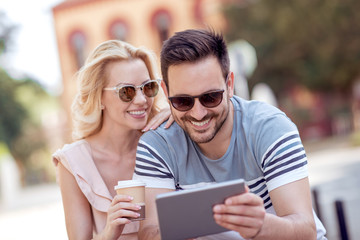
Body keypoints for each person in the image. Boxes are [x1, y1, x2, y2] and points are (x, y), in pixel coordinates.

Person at [133, 29, 327, 240]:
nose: (198, 114)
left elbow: (305, 230)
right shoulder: (157, 146)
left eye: (210, 97)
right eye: (183, 101)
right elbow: (149, 231)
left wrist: (259, 226)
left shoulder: (270, 128)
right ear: (166, 92)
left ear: (230, 85)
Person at [52, 39, 173, 240]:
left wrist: (179, 116)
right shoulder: (73, 163)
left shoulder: (165, 143)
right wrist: (109, 231)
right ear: (98, 97)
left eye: (148, 87)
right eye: (127, 91)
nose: (142, 100)